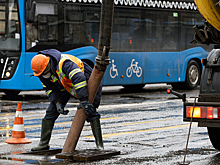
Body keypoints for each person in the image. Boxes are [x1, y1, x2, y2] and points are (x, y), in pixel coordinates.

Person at [30, 49, 103, 151]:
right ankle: (43, 143)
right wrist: (58, 103)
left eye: (45, 73)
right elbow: (50, 89)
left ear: (49, 65)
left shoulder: (65, 64)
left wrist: (83, 100)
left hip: (86, 77)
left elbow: (79, 80)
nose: (44, 76)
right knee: (51, 111)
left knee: (89, 109)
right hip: (64, 83)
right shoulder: (41, 72)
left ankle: (100, 145)